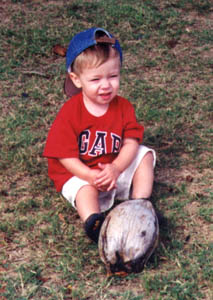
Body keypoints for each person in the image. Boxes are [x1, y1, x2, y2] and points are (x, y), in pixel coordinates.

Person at [43, 27, 156, 243]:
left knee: (145, 154)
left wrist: (116, 168)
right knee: (83, 190)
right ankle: (95, 222)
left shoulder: (123, 107)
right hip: (82, 173)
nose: (106, 85)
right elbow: (64, 156)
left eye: (112, 76)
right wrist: (89, 175)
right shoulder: (70, 113)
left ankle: (140, 206)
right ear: (76, 80)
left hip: (113, 168)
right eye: (95, 80)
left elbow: (131, 142)